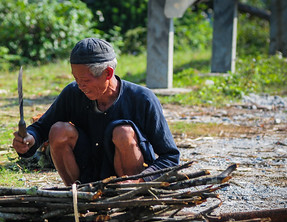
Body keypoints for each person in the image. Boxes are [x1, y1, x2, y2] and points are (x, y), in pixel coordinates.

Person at [12, 37, 180, 186]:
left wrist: (141, 180)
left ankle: (128, 192)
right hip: (88, 177)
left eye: (85, 80)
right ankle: (78, 194)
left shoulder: (142, 99)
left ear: (108, 73)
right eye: (76, 79)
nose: (80, 86)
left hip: (129, 181)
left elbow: (170, 157)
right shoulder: (73, 93)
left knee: (123, 132)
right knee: (58, 130)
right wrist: (28, 139)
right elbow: (42, 127)